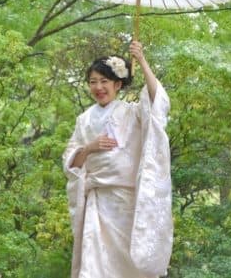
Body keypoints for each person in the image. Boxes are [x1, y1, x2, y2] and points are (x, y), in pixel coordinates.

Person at [62, 41, 173, 278]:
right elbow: (71, 164)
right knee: (93, 268)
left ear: (118, 84)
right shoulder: (84, 120)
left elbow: (157, 103)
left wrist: (141, 60)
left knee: (130, 268)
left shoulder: (132, 113)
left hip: (127, 205)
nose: (98, 87)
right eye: (93, 82)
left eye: (104, 81)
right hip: (97, 204)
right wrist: (89, 148)